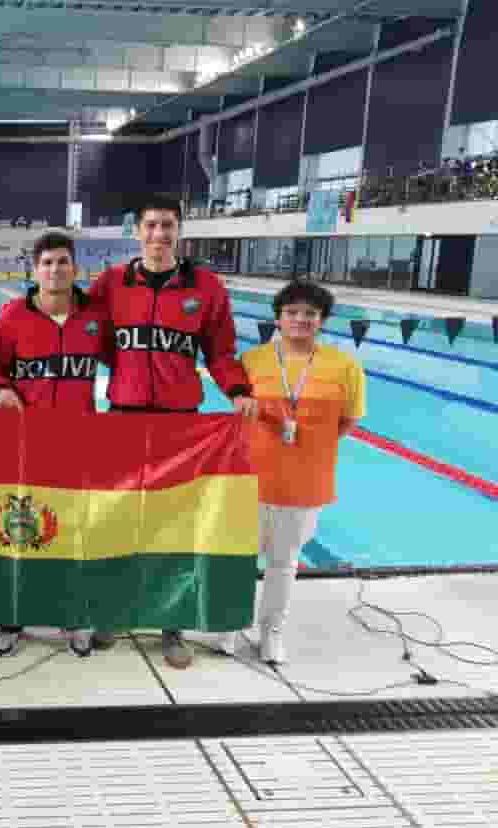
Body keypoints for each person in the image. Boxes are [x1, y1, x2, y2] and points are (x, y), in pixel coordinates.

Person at [89, 193, 257, 669]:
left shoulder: (205, 286)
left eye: (167, 226)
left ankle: (171, 625)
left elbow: (220, 352)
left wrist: (238, 391)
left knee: (174, 524)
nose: (159, 235)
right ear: (136, 231)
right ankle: (114, 612)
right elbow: (94, 340)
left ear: (179, 231)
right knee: (120, 517)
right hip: (123, 415)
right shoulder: (111, 283)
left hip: (179, 425)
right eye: (151, 225)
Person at [222, 279, 365, 664]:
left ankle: (273, 632)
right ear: (278, 318)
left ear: (322, 320)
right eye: (292, 313)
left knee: (284, 563)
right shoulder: (252, 361)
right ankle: (232, 624)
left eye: (311, 314)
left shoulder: (344, 366)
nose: (301, 319)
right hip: (251, 477)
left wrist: (308, 448)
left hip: (305, 481)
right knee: (239, 557)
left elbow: (347, 422)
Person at [0, 231, 109, 659]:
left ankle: (72, 616)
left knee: (73, 533)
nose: (55, 270)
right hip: (24, 443)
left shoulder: (96, 318)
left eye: (62, 261)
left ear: (75, 267)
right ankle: (11, 618)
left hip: (80, 443)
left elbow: (127, 362)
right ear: (34, 270)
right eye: (47, 263)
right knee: (17, 531)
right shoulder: (10, 318)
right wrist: (1, 388)